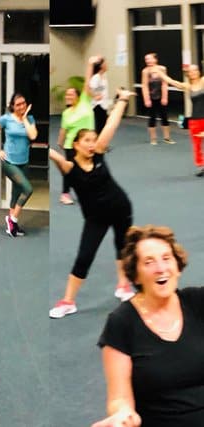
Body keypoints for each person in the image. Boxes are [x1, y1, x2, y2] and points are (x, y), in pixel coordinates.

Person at [92, 224, 204, 427]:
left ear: (178, 267)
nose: (160, 268)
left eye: (166, 258)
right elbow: (119, 398)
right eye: (149, 262)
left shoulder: (199, 302)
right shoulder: (122, 322)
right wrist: (123, 415)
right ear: (135, 275)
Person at [49, 89, 136, 319]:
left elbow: (112, 125)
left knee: (122, 245)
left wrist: (122, 100)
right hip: (95, 218)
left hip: (120, 207)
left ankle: (123, 285)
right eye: (86, 141)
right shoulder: (69, 167)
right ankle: (68, 301)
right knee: (85, 256)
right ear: (75, 144)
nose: (92, 144)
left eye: (93, 140)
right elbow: (50, 153)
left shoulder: (98, 154)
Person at [0, 92, 38, 237]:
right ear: (12, 106)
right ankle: (12, 220)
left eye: (23, 103)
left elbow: (33, 136)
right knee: (27, 189)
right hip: (9, 162)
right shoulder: (6, 119)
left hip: (24, 162)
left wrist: (25, 118)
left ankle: (12, 227)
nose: (21, 106)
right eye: (18, 104)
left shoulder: (30, 119)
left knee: (16, 192)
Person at [58, 56, 96, 205]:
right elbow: (63, 130)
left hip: (89, 144)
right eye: (67, 95)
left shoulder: (85, 103)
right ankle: (65, 194)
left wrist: (90, 64)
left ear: (78, 97)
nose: (68, 97)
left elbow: (87, 81)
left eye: (71, 94)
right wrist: (60, 144)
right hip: (72, 145)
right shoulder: (66, 113)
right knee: (71, 170)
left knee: (90, 169)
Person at [155, 64, 204, 176]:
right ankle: (202, 166)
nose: (193, 72)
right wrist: (160, 72)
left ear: (199, 71)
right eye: (191, 71)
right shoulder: (187, 86)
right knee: (196, 146)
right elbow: (171, 81)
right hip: (195, 120)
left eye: (195, 70)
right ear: (188, 74)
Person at [141, 53, 175, 146]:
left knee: (164, 117)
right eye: (146, 59)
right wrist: (146, 99)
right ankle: (153, 139)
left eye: (150, 59)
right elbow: (144, 86)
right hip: (151, 97)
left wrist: (165, 97)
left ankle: (167, 137)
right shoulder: (145, 71)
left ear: (155, 59)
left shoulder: (162, 69)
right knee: (152, 118)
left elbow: (165, 84)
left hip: (161, 97)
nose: (148, 61)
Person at [89, 56, 110, 134]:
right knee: (100, 125)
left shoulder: (103, 76)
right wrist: (95, 96)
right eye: (105, 63)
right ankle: (97, 143)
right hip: (98, 105)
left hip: (104, 104)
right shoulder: (96, 77)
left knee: (103, 124)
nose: (107, 65)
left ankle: (100, 142)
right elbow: (90, 88)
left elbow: (100, 89)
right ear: (101, 65)